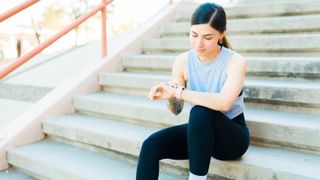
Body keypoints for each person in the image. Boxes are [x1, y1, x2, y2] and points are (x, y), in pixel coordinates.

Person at [136, 2, 250, 180]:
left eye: (207, 37)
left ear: (221, 35)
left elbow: (224, 103)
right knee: (151, 145)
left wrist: (180, 92)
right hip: (201, 132)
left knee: (200, 111)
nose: (199, 44)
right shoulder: (182, 61)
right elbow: (177, 110)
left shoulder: (235, 61)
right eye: (194, 35)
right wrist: (170, 97)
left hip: (232, 138)